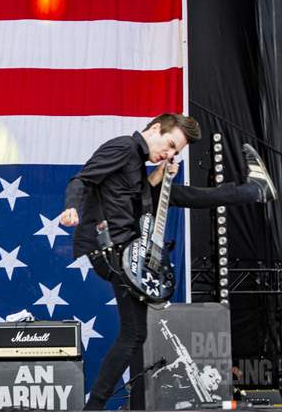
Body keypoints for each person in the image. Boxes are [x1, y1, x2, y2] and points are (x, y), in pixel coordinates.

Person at [60, 113, 277, 410]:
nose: (170, 153)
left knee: (135, 333)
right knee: (133, 334)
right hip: (113, 249)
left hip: (128, 248)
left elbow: (134, 200)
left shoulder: (137, 163)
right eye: (171, 144)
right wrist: (71, 207)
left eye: (177, 151)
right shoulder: (123, 147)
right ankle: (93, 407)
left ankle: (253, 190)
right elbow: (82, 179)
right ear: (154, 129)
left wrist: (158, 177)